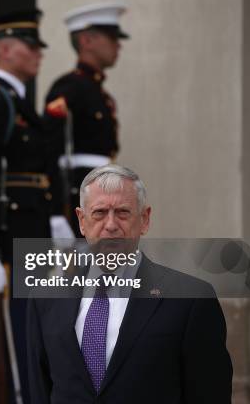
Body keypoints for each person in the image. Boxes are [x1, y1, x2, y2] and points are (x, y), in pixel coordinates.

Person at [27, 164, 233, 403]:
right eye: (99, 213)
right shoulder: (45, 299)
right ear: (82, 221)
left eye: (123, 212)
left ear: (144, 220)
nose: (111, 225)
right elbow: (40, 391)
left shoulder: (190, 299)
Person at [0, 7, 73, 403]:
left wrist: (56, 217)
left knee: (33, 340)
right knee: (2, 348)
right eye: (30, 46)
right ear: (5, 50)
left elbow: (39, 173)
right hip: (7, 245)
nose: (38, 53)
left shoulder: (18, 102)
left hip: (32, 240)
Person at [44, 2, 129, 234]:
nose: (118, 45)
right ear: (86, 41)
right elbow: (51, 152)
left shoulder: (100, 94)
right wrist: (55, 212)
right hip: (78, 203)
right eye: (111, 37)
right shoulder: (69, 88)